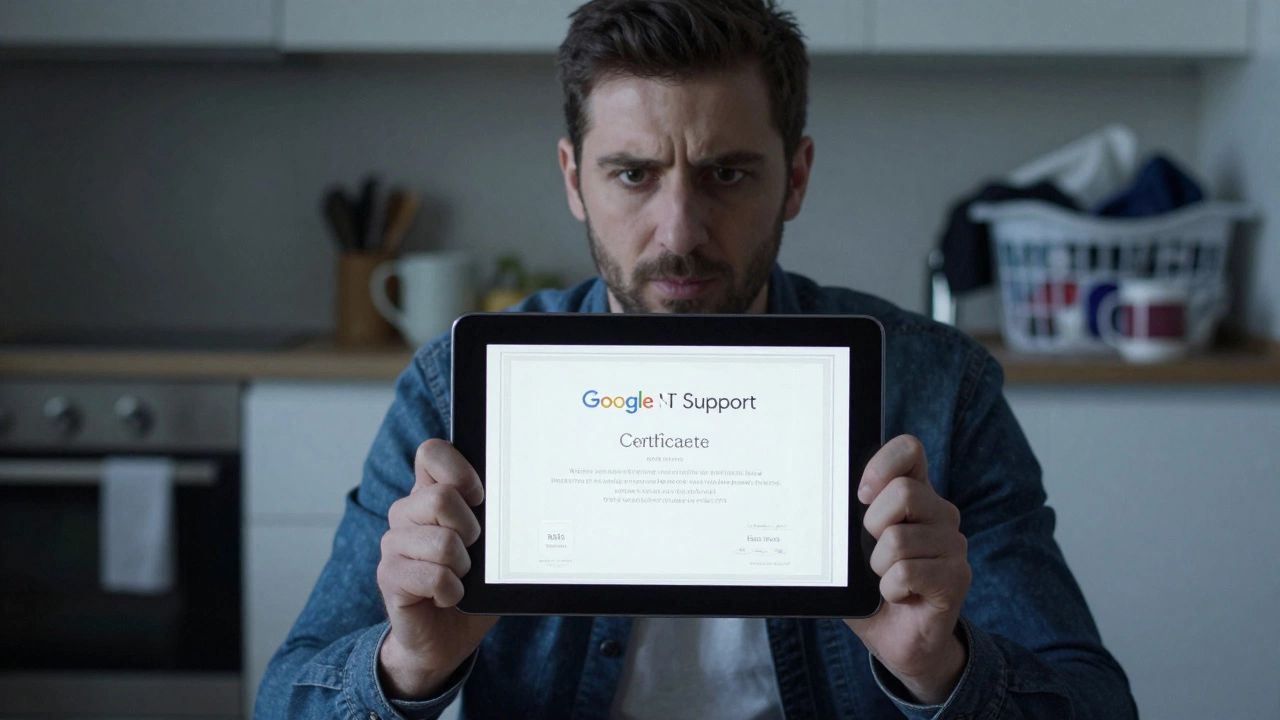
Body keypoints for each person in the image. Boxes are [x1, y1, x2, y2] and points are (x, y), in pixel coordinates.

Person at [256, 1, 1138, 718]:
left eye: (727, 174)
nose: (678, 233)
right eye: (633, 174)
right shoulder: (460, 389)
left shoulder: (940, 389)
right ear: (573, 178)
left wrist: (938, 669)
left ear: (795, 178)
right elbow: (284, 701)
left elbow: (1096, 704)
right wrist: (409, 665)